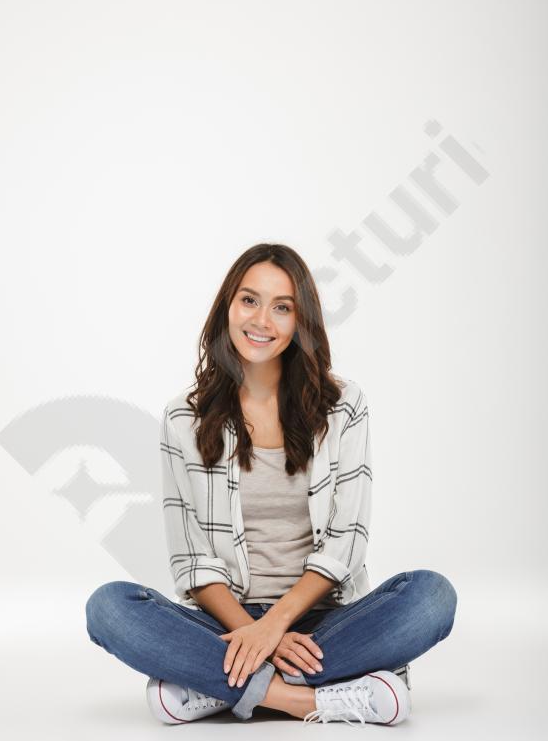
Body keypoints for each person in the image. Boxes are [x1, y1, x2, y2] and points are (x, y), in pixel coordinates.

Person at [85, 242, 457, 727]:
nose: (262, 320)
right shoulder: (182, 418)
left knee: (432, 596)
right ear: (228, 306)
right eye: (249, 300)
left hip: (323, 617)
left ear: (301, 322)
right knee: (109, 608)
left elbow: (346, 543)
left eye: (282, 307)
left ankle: (214, 686)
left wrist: (274, 628)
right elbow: (192, 560)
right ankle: (305, 698)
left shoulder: (344, 406)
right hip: (225, 622)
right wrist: (256, 632)